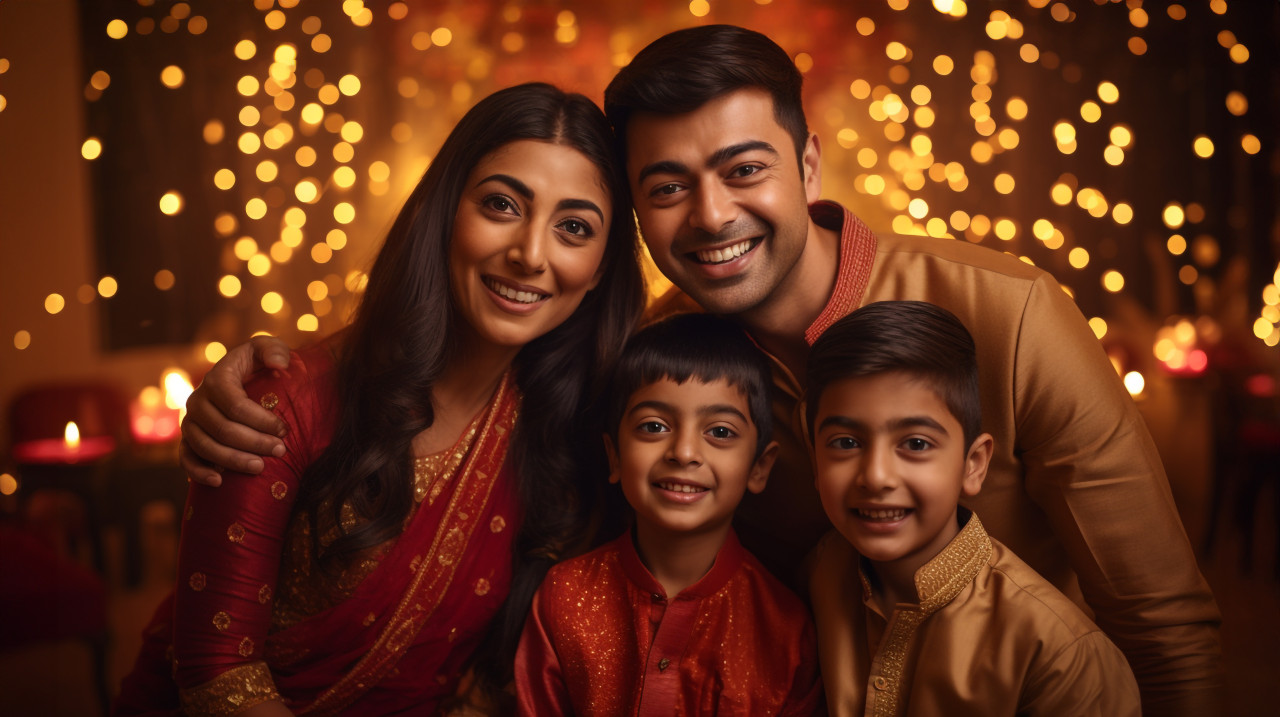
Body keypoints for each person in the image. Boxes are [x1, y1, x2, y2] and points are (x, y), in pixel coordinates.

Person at [180, 25, 1222, 714]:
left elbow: (1163, 627)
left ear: (807, 167)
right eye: (667, 188)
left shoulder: (1010, 315)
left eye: (743, 170)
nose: (712, 216)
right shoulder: (657, 364)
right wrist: (272, 377)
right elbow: (477, 354)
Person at [112, 83, 644, 716]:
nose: (530, 254)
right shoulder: (285, 401)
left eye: (574, 228)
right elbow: (217, 675)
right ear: (444, 211)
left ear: (601, 269)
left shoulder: (570, 423)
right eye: (502, 205)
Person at [805, 300, 1140, 715]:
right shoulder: (821, 572)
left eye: (915, 444)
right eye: (846, 443)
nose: (876, 477)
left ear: (973, 464)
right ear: (814, 458)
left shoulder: (1061, 657)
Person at [513, 313, 823, 715]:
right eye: (654, 426)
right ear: (614, 456)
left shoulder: (785, 629)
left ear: (759, 467)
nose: (684, 452)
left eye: (721, 432)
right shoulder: (564, 596)